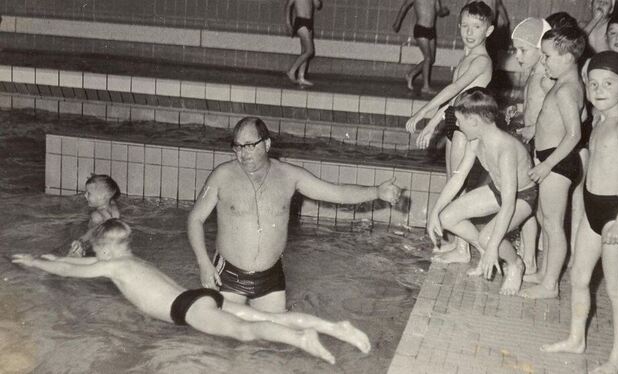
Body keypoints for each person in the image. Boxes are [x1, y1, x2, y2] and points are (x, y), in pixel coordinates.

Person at [12, 219, 371, 364]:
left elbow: (71, 270)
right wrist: (48, 257)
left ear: (104, 250)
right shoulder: (130, 260)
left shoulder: (111, 265)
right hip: (198, 298)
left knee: (245, 332)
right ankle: (334, 328)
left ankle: (303, 339)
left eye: (97, 249)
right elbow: (80, 265)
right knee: (266, 317)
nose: (96, 255)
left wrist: (38, 263)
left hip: (187, 310)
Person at [188, 117, 402, 313]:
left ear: (267, 144)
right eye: (238, 146)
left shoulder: (289, 176)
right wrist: (204, 264)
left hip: (270, 277)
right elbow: (195, 219)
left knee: (269, 344)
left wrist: (376, 191)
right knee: (222, 340)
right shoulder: (222, 176)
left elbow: (337, 192)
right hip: (228, 276)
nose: (243, 153)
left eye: (250, 146)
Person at [542, 51, 618, 374]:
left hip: (615, 215)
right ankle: (576, 339)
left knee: (615, 288)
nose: (598, 90)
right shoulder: (601, 120)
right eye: (593, 84)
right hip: (593, 209)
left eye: (608, 84)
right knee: (579, 277)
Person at [404, 1, 494, 262]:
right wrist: (434, 123)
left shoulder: (480, 61)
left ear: (488, 31)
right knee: (453, 183)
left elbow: (453, 91)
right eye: (465, 25)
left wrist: (423, 114)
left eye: (476, 27)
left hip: (467, 129)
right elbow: (455, 102)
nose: (469, 31)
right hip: (457, 123)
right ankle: (459, 245)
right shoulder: (466, 57)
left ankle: (466, 249)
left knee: (459, 187)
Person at [426, 87, 535, 295]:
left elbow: (509, 203)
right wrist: (434, 213)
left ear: (474, 121)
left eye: (459, 120)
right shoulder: (476, 140)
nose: (456, 125)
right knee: (446, 217)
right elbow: (458, 177)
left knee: (489, 238)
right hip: (498, 190)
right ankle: (486, 252)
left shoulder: (506, 149)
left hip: (523, 197)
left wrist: (493, 244)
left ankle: (515, 264)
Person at [520, 27, 585, 299]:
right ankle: (544, 273)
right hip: (550, 159)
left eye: (547, 56)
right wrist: (534, 130)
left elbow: (574, 134)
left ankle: (550, 285)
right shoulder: (561, 83)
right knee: (547, 221)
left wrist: (547, 164)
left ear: (568, 57)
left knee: (554, 224)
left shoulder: (568, 89)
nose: (543, 61)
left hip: (558, 164)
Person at [505, 17, 552, 275]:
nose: (518, 56)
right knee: (530, 208)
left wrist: (533, 127)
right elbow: (536, 105)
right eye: (515, 50)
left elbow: (552, 109)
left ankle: (534, 263)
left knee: (532, 209)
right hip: (532, 143)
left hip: (541, 146)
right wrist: (521, 109)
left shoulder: (546, 74)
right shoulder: (535, 72)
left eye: (523, 50)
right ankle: (530, 259)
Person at [392, 0, 450, 94]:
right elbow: (404, 7)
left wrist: (444, 11)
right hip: (421, 29)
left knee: (431, 59)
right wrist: (397, 23)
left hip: (431, 30)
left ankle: (411, 74)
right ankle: (425, 87)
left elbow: (439, 11)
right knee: (427, 58)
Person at [67, 174, 121, 257]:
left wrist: (81, 240)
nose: (85, 195)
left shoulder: (96, 216)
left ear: (103, 196)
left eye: (89, 193)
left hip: (96, 247)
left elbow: (93, 231)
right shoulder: (113, 206)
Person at [285, 0, 322, 87]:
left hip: (309, 22)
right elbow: (288, 6)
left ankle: (301, 77)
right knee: (310, 51)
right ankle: (291, 71)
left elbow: (318, 5)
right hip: (301, 22)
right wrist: (288, 23)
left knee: (304, 51)